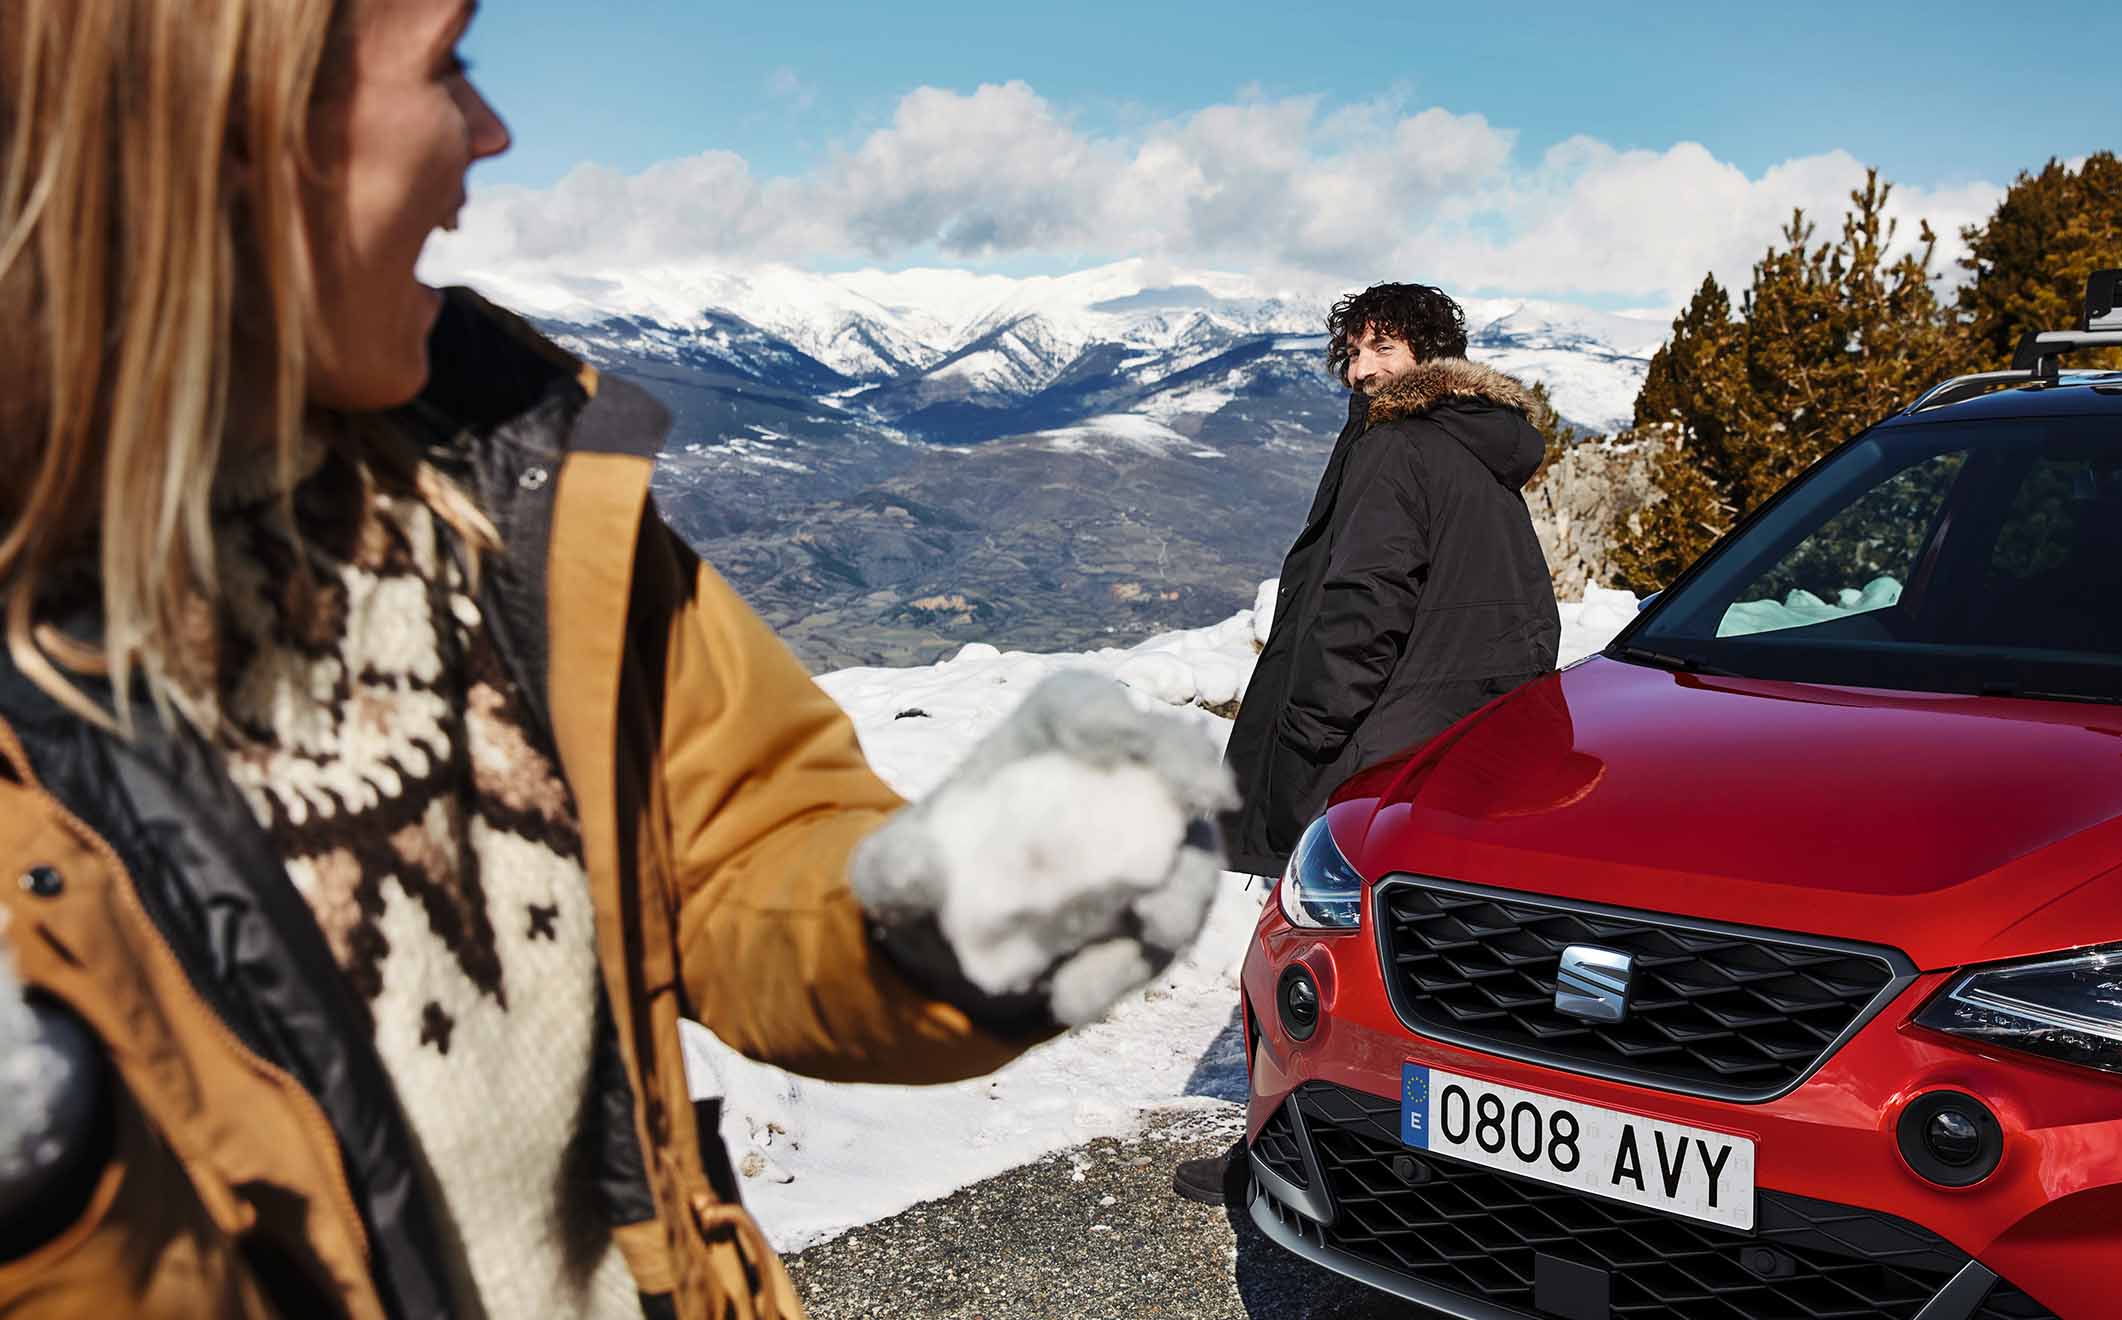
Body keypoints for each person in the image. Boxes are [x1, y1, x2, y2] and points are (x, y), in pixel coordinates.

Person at [0, 2, 1230, 1317]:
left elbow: (731, 851)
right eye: (447, 65)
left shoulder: (506, 488)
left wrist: (929, 920)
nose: (493, 129)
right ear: (221, 123)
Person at [1174, 283, 1561, 1205]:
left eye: (1380, 350)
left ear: (1429, 353)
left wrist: (1307, 730)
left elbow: (1361, 606)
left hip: (1375, 743)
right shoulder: (1481, 445)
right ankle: (1436, 1160)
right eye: (1350, 354)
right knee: (1431, 969)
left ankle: (1286, 1154)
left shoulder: (1394, 444)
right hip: (1461, 743)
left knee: (1308, 954)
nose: (1359, 371)